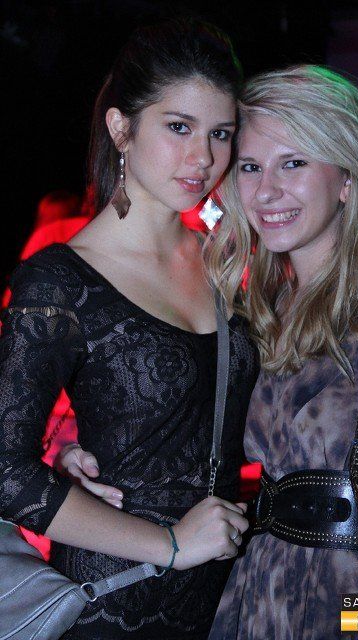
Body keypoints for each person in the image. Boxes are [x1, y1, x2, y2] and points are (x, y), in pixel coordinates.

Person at [0, 19, 260, 640]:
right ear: (121, 128)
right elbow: (5, 473)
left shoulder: (229, 263)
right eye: (179, 127)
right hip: (114, 604)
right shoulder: (60, 280)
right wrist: (170, 544)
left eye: (220, 133)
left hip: (234, 598)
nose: (204, 157)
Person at [203, 65, 358, 639]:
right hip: (260, 594)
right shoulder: (257, 308)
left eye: (293, 163)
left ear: (347, 178)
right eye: (250, 167)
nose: (266, 191)